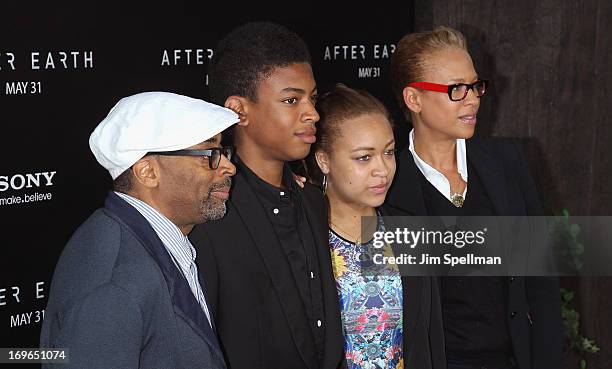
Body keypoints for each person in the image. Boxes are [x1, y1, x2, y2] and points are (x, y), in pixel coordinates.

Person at [386, 27, 563, 369]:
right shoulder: (387, 177)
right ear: (414, 99)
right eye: (456, 89)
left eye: (475, 86)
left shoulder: (507, 162)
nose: (473, 99)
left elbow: (542, 282)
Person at [40, 91, 239, 369]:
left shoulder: (150, 242)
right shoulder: (114, 281)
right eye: (209, 154)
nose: (228, 166)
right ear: (147, 172)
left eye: (224, 152)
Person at [189, 22, 344, 369]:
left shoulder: (313, 201)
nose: (313, 113)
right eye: (292, 100)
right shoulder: (210, 216)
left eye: (312, 98)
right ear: (239, 110)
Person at [304, 83, 445, 369]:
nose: (382, 169)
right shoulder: (301, 235)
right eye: (364, 157)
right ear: (323, 160)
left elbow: (430, 339)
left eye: (389, 153)